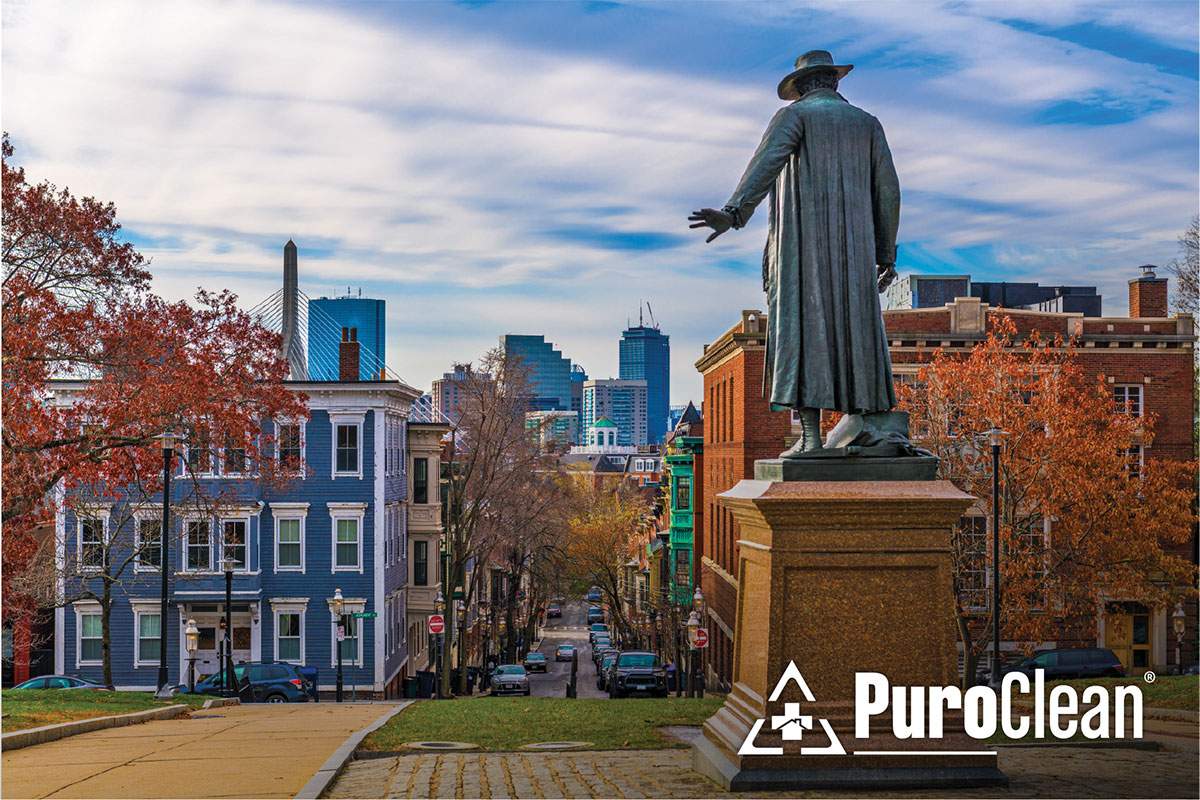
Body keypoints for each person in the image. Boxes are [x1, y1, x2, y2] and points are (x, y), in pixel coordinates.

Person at [690, 50, 901, 456]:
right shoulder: (868, 125)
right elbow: (888, 190)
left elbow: (765, 166)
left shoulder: (794, 117)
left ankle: (812, 436)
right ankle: (863, 422)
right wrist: (885, 253)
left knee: (802, 328)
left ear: (801, 87)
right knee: (856, 329)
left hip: (802, 248)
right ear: (834, 82)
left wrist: (734, 213)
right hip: (857, 253)